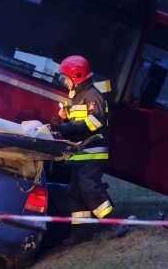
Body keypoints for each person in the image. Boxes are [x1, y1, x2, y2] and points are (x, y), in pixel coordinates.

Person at [50, 55, 130, 244]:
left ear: (76, 77)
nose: (64, 81)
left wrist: (66, 127)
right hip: (80, 154)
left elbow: (94, 122)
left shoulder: (93, 96)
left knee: (90, 189)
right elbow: (77, 123)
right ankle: (81, 233)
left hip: (94, 152)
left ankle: (116, 223)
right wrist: (63, 122)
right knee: (75, 192)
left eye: (66, 77)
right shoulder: (78, 98)